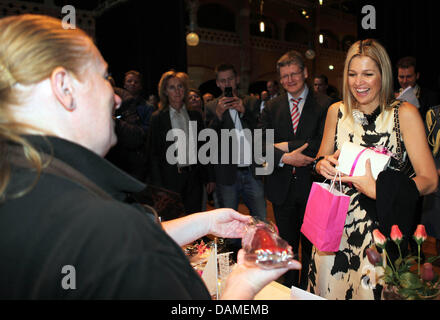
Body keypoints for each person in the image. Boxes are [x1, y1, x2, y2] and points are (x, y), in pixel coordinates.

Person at [0, 14, 301, 300]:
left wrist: (205, 220)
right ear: (64, 88)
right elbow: (117, 236)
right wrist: (243, 282)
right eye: (104, 77)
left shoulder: (24, 185)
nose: (117, 96)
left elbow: (119, 241)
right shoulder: (94, 219)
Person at [311, 39, 438, 299]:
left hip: (378, 235)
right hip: (330, 231)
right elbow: (321, 157)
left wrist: (381, 189)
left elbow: (430, 180)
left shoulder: (404, 114)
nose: (359, 82)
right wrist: (321, 163)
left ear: (383, 75)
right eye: (352, 74)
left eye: (368, 74)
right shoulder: (336, 111)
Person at [258, 50, 332, 290]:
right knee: (287, 250)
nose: (290, 80)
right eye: (285, 76)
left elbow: (321, 142)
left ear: (305, 73)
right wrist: (286, 158)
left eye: (294, 74)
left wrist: (280, 147)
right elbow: (260, 145)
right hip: (281, 189)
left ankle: (310, 292)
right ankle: (290, 292)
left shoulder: (325, 104)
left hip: (313, 188)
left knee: (313, 250)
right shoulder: (271, 107)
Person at [205, 64, 267, 223]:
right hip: (226, 174)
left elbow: (261, 132)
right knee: (228, 223)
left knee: (261, 221)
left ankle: (261, 247)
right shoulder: (212, 106)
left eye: (230, 79)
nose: (227, 84)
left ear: (237, 79)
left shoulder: (251, 102)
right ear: (218, 83)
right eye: (223, 80)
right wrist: (218, 116)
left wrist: (245, 113)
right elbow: (207, 140)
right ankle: (235, 248)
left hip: (252, 171)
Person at [148, 71, 214, 216]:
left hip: (194, 178)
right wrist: (158, 187)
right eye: (172, 87)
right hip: (170, 180)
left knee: (196, 223)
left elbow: (204, 148)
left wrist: (209, 177)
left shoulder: (195, 116)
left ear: (185, 89)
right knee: (174, 224)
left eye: (180, 86)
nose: (177, 91)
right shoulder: (158, 118)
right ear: (165, 91)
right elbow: (153, 154)